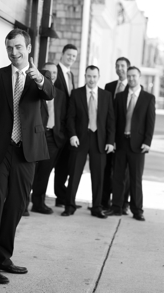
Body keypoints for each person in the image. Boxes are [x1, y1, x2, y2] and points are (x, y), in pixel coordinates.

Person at [0, 29, 52, 285]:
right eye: (9, 48)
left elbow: (49, 93)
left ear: (28, 48)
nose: (14, 52)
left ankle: (2, 257)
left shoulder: (40, 77)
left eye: (18, 47)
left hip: (26, 151)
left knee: (17, 205)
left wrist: (39, 78)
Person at [63, 66, 115, 218]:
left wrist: (110, 141)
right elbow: (70, 117)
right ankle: (69, 206)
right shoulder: (76, 93)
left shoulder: (106, 95)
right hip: (80, 139)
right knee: (74, 173)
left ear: (98, 77)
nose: (91, 80)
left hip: (100, 140)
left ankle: (96, 207)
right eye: (89, 76)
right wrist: (72, 135)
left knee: (98, 176)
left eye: (94, 77)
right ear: (85, 76)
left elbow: (111, 120)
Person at [108, 67, 155, 221]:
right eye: (129, 76)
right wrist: (112, 140)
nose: (131, 78)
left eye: (134, 76)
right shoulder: (120, 96)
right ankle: (116, 207)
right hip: (121, 142)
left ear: (139, 76)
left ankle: (137, 210)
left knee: (136, 179)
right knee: (118, 177)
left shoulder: (148, 98)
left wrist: (147, 141)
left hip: (138, 144)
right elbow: (114, 120)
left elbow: (150, 122)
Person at [29, 63, 67, 214]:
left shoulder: (61, 94)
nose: (52, 75)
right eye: (49, 72)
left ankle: (38, 203)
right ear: (42, 73)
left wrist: (61, 136)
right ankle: (23, 204)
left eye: (55, 72)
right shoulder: (33, 91)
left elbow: (63, 117)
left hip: (53, 138)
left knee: (44, 173)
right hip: (36, 136)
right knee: (30, 171)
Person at [101, 57, 131, 211]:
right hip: (108, 135)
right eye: (117, 66)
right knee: (106, 169)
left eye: (123, 66)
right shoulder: (109, 86)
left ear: (128, 68)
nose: (120, 68)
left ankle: (123, 203)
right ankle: (104, 201)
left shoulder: (133, 88)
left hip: (125, 137)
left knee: (123, 172)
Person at [52, 44, 78, 208]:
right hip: (55, 126)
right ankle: (37, 197)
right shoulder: (55, 71)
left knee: (63, 166)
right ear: (62, 54)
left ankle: (61, 196)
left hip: (66, 128)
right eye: (69, 55)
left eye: (74, 56)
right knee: (48, 165)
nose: (71, 58)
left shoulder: (71, 75)